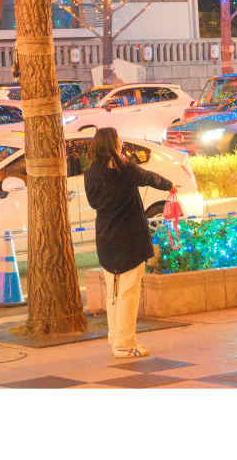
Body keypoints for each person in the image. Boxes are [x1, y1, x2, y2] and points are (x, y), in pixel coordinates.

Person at [83, 126, 175, 359]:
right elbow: (150, 178)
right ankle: (124, 344)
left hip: (106, 237)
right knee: (128, 293)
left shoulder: (91, 173)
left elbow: (94, 203)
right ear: (114, 144)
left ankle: (116, 338)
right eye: (119, 141)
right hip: (130, 239)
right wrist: (170, 186)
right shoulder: (126, 170)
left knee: (113, 292)